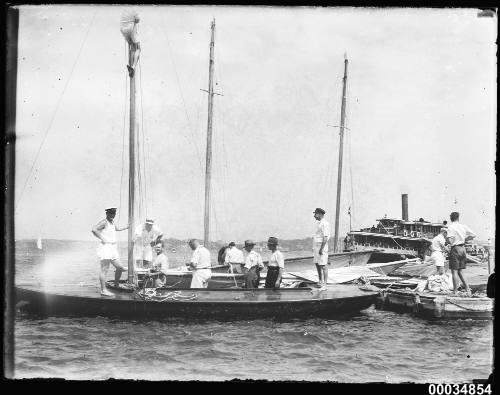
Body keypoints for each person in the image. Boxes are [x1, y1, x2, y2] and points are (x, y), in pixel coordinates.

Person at [91, 207, 129, 296]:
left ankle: (116, 284)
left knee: (120, 268)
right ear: (107, 214)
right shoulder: (104, 222)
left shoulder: (112, 222)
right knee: (104, 270)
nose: (113, 215)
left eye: (114, 214)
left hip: (113, 247)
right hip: (106, 247)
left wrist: (126, 227)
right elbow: (94, 229)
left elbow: (117, 228)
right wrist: (102, 238)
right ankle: (103, 290)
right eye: (111, 213)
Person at [446, 212, 476, 295]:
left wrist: (447, 239)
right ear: (458, 218)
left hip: (455, 248)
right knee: (461, 271)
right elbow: (474, 235)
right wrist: (464, 239)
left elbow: (450, 241)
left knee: (454, 271)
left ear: (451, 218)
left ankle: (455, 291)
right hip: (463, 249)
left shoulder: (451, 227)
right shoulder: (463, 226)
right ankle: (467, 289)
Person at [120, 11, 141, 78]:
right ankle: (133, 67)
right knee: (138, 48)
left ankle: (130, 65)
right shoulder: (133, 8)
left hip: (123, 29)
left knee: (131, 47)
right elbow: (137, 20)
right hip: (131, 28)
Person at [313, 207, 330, 290]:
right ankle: (320, 281)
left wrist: (321, 249)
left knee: (323, 265)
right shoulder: (318, 223)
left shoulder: (325, 223)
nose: (314, 216)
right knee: (317, 264)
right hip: (316, 246)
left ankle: (325, 284)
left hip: (322, 247)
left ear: (320, 214)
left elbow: (325, 238)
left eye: (315, 214)